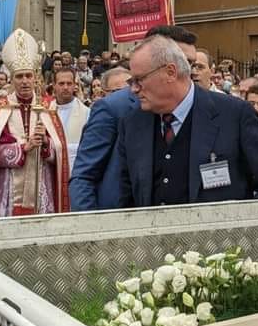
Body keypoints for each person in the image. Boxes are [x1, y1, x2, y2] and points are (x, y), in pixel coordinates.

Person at [116, 35, 258, 207]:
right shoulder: (132, 123)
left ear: (170, 73)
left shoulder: (235, 116)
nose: (134, 89)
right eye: (132, 81)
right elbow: (125, 197)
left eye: (139, 80)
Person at [70, 27, 195, 211]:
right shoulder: (114, 108)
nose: (189, 70)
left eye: (192, 63)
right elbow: (84, 176)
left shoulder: (203, 108)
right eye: (184, 60)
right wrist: (92, 229)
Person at [0, 29, 70, 217]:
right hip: (9, 184)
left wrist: (45, 143)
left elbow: (60, 152)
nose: (25, 81)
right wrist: (24, 147)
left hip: (41, 180)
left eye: (28, 75)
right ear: (12, 79)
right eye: (19, 77)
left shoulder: (48, 108)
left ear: (35, 77)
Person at [51, 68, 90, 172]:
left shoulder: (86, 113)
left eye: (69, 83)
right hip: (51, 169)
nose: (65, 87)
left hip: (75, 170)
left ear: (75, 85)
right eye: (61, 83)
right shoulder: (45, 111)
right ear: (54, 85)